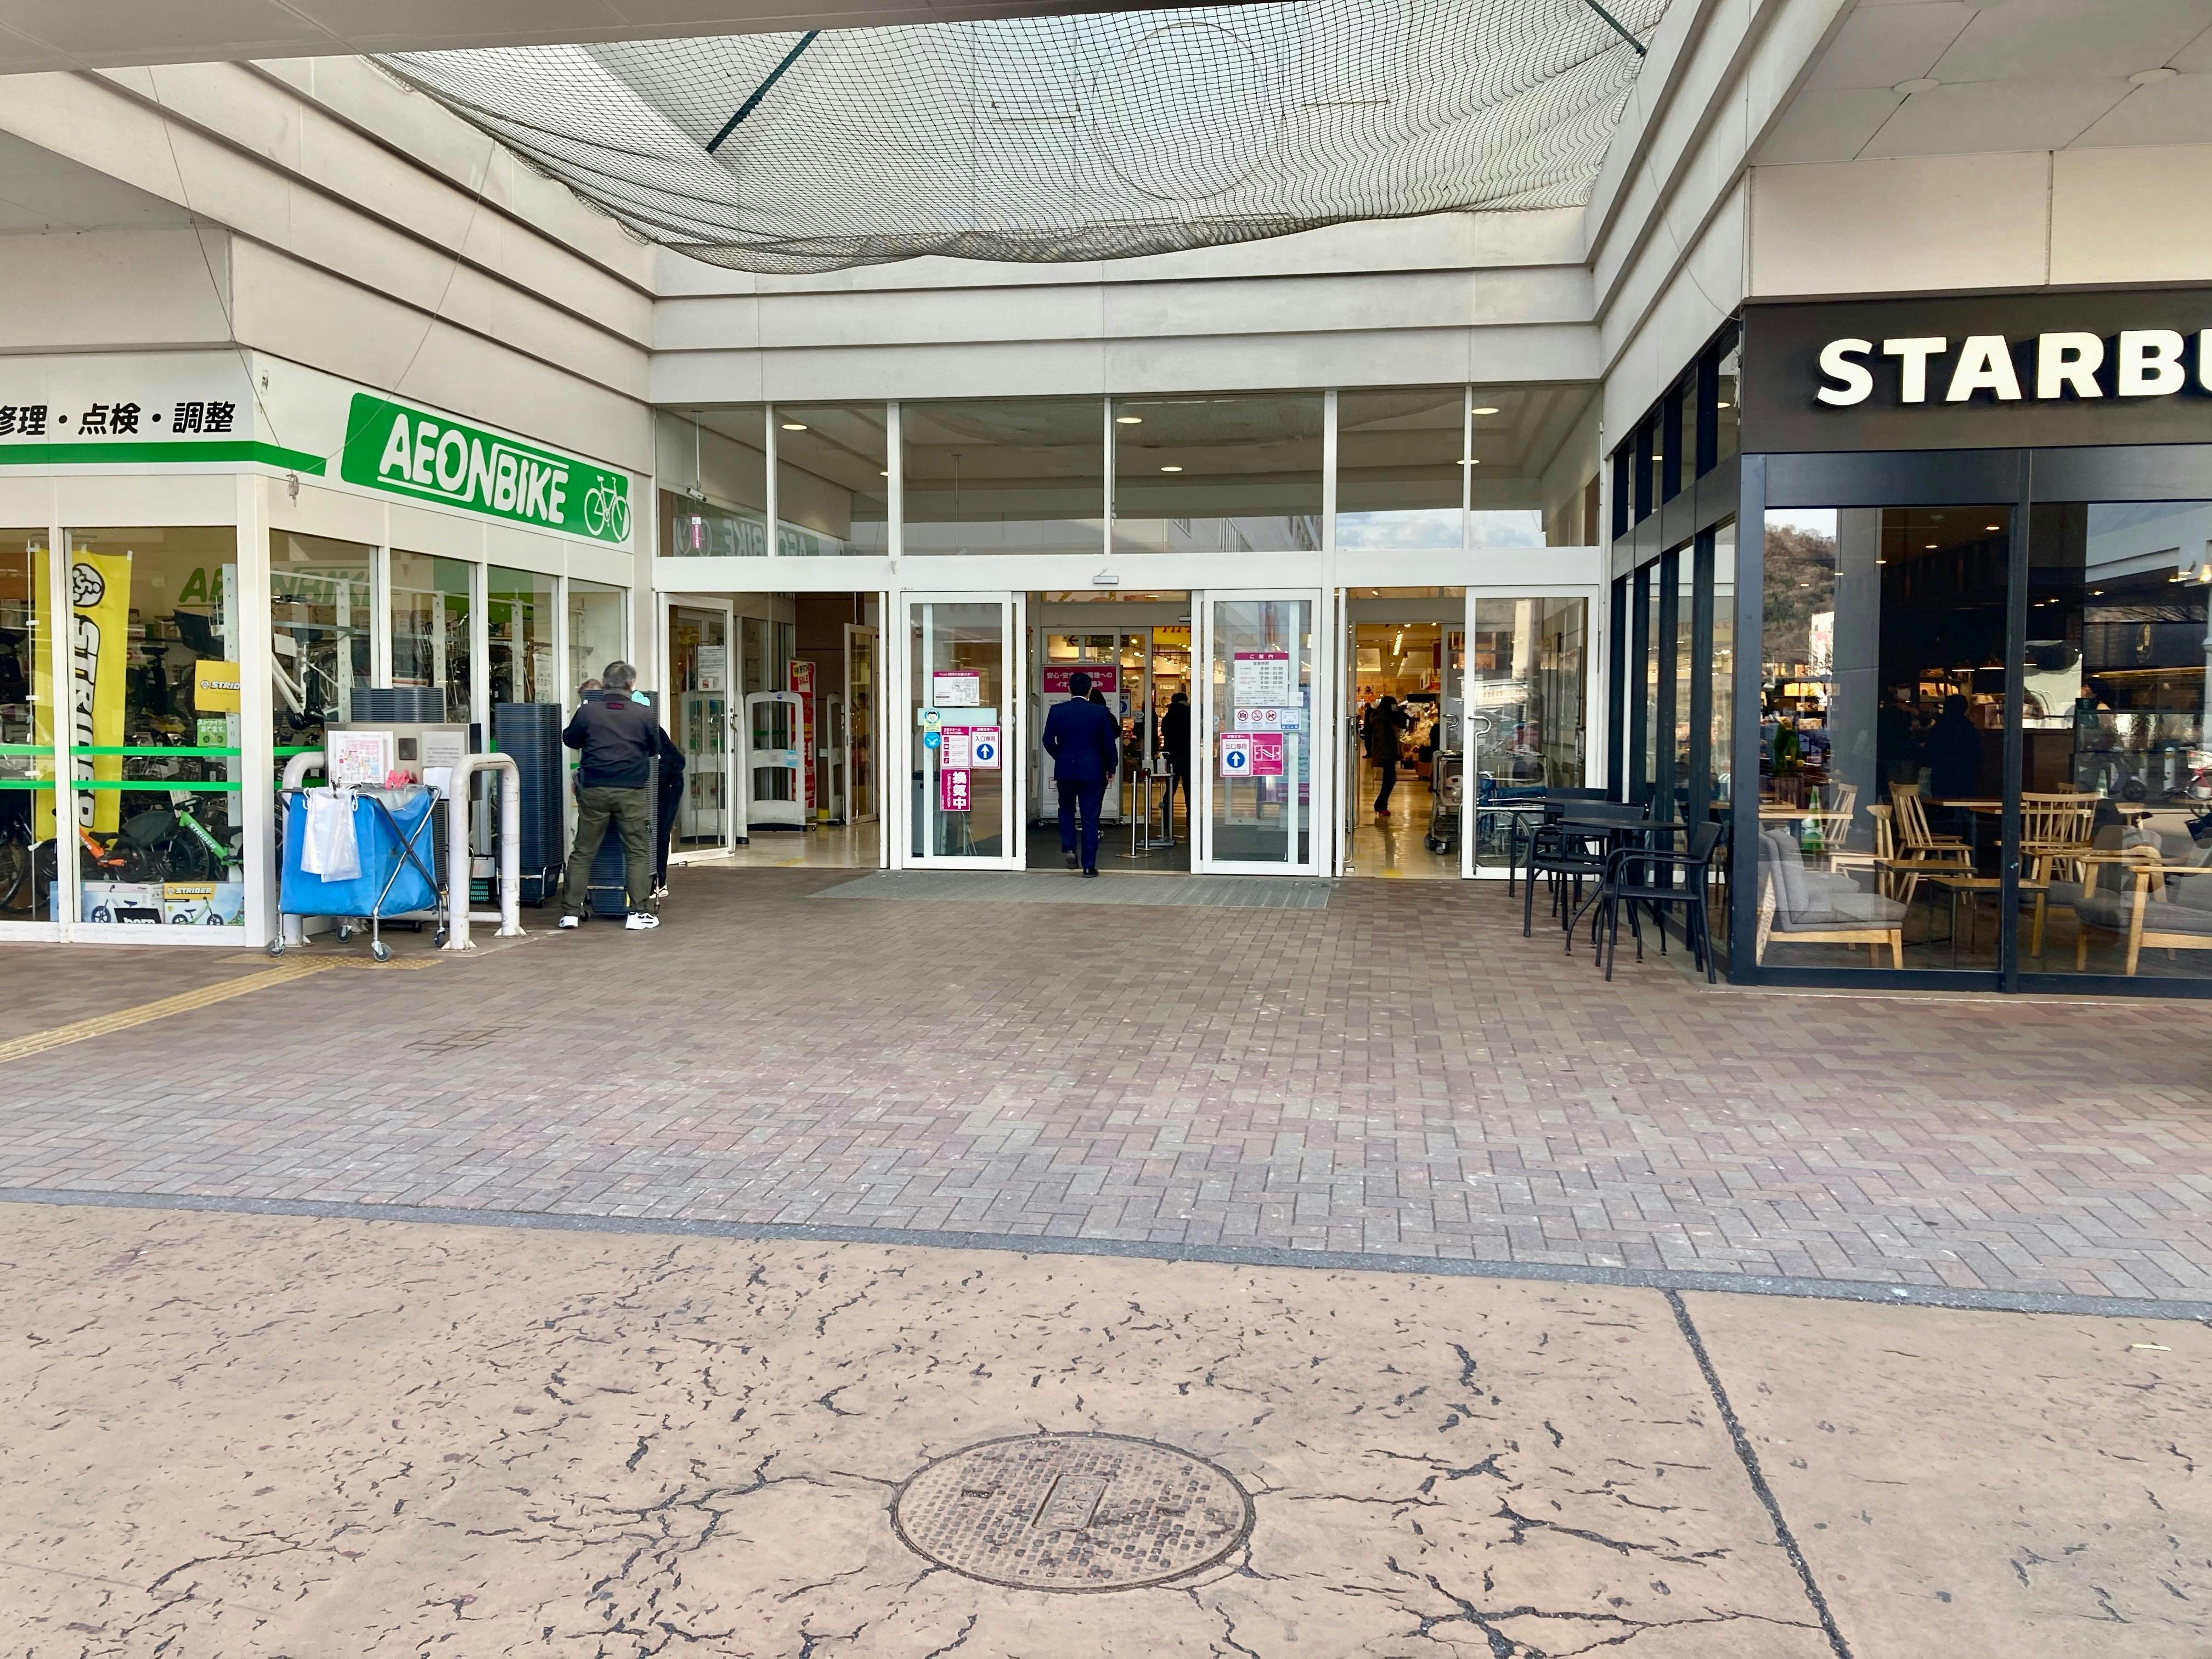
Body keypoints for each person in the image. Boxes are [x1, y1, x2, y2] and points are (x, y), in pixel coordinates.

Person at [559, 661, 659, 930]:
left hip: (594, 790)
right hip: (631, 792)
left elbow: (569, 740)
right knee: (637, 851)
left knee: (583, 851)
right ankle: (637, 914)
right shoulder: (643, 714)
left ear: (604, 684)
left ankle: (571, 913)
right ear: (632, 685)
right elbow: (654, 749)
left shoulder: (588, 712)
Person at [1041, 669, 1119, 876]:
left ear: (1069, 689)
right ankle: (1089, 866)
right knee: (1090, 817)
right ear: (1090, 690)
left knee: (1066, 809)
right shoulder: (1099, 712)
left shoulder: (1057, 711)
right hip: (1093, 771)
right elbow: (1108, 744)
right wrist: (1111, 767)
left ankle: (1069, 846)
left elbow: (1047, 740)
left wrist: (1061, 757)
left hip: (1066, 770)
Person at [1925, 693, 1982, 803]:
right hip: (1964, 773)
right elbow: (1976, 753)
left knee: (1941, 802)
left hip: (1941, 772)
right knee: (1963, 803)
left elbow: (1929, 748)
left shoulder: (1938, 727)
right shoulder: (1968, 728)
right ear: (1965, 709)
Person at [652, 721, 686, 900]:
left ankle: (659, 883)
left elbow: (666, 762)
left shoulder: (649, 728)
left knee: (660, 831)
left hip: (669, 781)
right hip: (654, 780)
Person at [1364, 694, 1411, 815]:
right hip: (1385, 752)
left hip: (1389, 752)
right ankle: (1380, 805)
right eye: (1393, 704)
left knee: (1389, 779)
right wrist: (1381, 754)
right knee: (1390, 779)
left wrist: (1399, 712)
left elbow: (1403, 722)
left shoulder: (1388, 716)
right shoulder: (1381, 718)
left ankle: (1381, 805)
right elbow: (1381, 737)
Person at [1159, 690, 1192, 832]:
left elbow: (1164, 732)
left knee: (1171, 787)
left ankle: (1166, 818)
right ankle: (1190, 818)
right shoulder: (1191, 713)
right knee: (1189, 788)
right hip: (1188, 755)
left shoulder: (1170, 715)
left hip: (1172, 755)